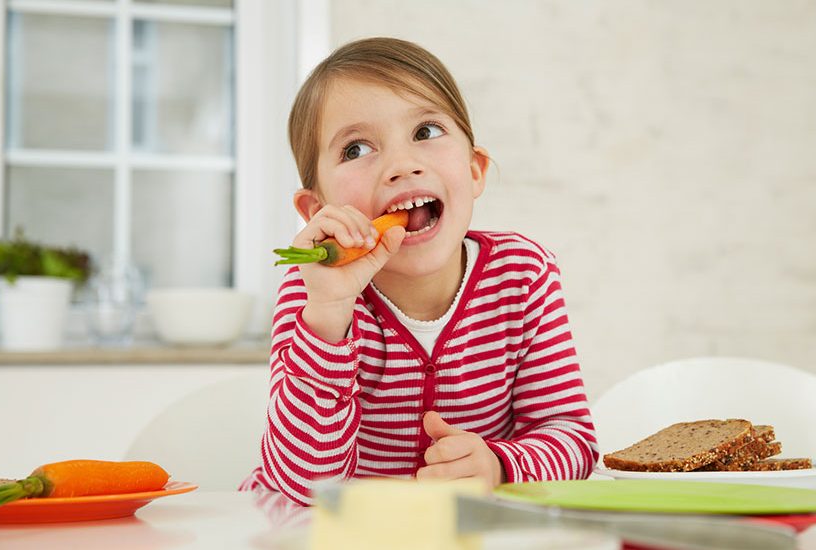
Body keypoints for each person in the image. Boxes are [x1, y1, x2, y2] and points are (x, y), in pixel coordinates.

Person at [241, 37, 598, 505]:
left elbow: (573, 441)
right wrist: (329, 313)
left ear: (474, 171)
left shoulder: (522, 275)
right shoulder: (314, 292)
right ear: (316, 210)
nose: (401, 166)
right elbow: (301, 486)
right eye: (355, 149)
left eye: (426, 132)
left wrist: (499, 465)